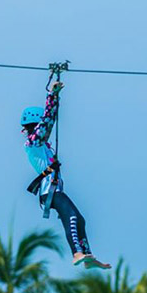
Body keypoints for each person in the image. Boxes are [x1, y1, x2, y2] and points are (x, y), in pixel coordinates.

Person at [21, 80, 110, 269]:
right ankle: (76, 253)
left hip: (55, 190)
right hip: (49, 192)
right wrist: (52, 95)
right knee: (70, 217)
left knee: (80, 220)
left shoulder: (42, 144)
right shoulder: (33, 143)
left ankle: (87, 256)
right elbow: (46, 123)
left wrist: (56, 97)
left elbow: (49, 122)